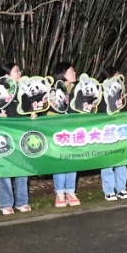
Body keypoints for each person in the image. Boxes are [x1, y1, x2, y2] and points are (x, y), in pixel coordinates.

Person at [0, 62, 33, 215]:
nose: (20, 73)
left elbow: (32, 109)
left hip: (21, 136)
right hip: (3, 138)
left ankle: (22, 201)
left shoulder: (24, 91)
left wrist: (33, 115)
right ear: (6, 76)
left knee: (22, 168)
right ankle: (6, 203)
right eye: (16, 71)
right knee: (4, 170)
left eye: (19, 71)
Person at [48, 61, 81, 208]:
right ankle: (60, 193)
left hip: (75, 133)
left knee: (72, 160)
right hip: (59, 133)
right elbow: (48, 112)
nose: (74, 73)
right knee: (60, 162)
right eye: (71, 71)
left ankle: (70, 191)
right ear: (63, 74)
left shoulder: (79, 90)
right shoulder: (54, 92)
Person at [97, 66, 127, 200]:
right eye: (116, 76)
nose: (118, 79)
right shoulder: (99, 96)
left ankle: (121, 188)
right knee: (108, 162)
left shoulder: (121, 96)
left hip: (121, 132)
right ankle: (109, 190)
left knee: (122, 161)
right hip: (106, 133)